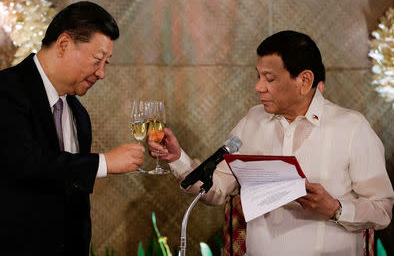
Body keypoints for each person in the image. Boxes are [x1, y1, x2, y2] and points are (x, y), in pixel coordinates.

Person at [148, 30, 394, 255]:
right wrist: (177, 158)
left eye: (270, 78)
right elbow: (215, 190)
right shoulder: (253, 121)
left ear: (305, 81)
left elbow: (382, 210)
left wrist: (336, 208)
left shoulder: (352, 128)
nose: (258, 87)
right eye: (258, 76)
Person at [0, 1, 144, 256]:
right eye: (97, 60)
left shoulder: (79, 115)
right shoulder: (4, 90)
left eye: (107, 62)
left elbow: (74, 205)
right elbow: (27, 164)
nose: (102, 73)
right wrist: (103, 163)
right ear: (63, 44)